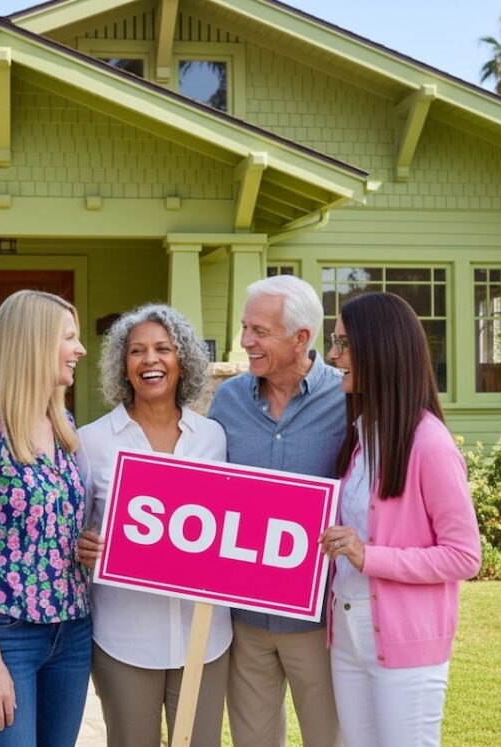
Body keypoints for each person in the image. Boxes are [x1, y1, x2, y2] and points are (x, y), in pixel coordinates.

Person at [320, 291, 482, 747]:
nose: (333, 355)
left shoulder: (429, 444)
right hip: (348, 637)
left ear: (381, 348)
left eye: (343, 343)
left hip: (404, 644)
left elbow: (464, 556)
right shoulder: (361, 436)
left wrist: (368, 555)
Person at [75, 304, 232, 747]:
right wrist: (91, 547)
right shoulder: (92, 442)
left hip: (205, 636)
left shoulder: (214, 438)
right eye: (137, 351)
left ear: (183, 361)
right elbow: (78, 531)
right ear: (122, 366)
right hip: (125, 636)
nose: (150, 360)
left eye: (163, 349)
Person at [0, 290, 92, 747]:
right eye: (69, 338)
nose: (81, 350)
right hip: (9, 637)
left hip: (73, 632)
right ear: (35, 344)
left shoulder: (65, 426)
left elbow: (58, 528)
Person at [207, 275, 344, 747]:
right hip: (244, 619)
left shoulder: (345, 400)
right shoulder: (227, 401)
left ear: (301, 338)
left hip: (318, 621)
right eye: (246, 328)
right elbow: (205, 490)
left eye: (259, 331)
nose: (246, 341)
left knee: (329, 739)